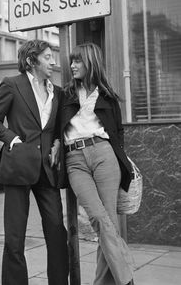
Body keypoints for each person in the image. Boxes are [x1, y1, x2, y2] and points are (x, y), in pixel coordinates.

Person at [0, 39, 69, 285]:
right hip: (18, 166)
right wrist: (14, 141)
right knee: (15, 237)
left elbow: (58, 128)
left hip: (47, 169)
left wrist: (57, 143)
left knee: (56, 230)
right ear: (32, 61)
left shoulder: (59, 92)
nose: (53, 62)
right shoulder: (12, 85)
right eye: (47, 57)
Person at [60, 42, 135, 285]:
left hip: (104, 155)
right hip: (75, 159)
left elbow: (119, 131)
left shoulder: (108, 96)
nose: (72, 65)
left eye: (77, 61)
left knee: (109, 222)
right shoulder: (66, 94)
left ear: (90, 61)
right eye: (72, 61)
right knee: (98, 219)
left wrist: (119, 156)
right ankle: (126, 278)